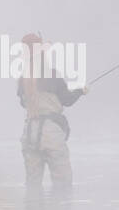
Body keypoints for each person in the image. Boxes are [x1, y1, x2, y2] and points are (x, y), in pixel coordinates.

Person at [17, 31, 87, 188]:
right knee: (63, 184)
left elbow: (23, 103)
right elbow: (67, 100)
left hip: (29, 134)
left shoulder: (23, 79)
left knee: (32, 185)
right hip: (51, 133)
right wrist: (81, 91)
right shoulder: (52, 75)